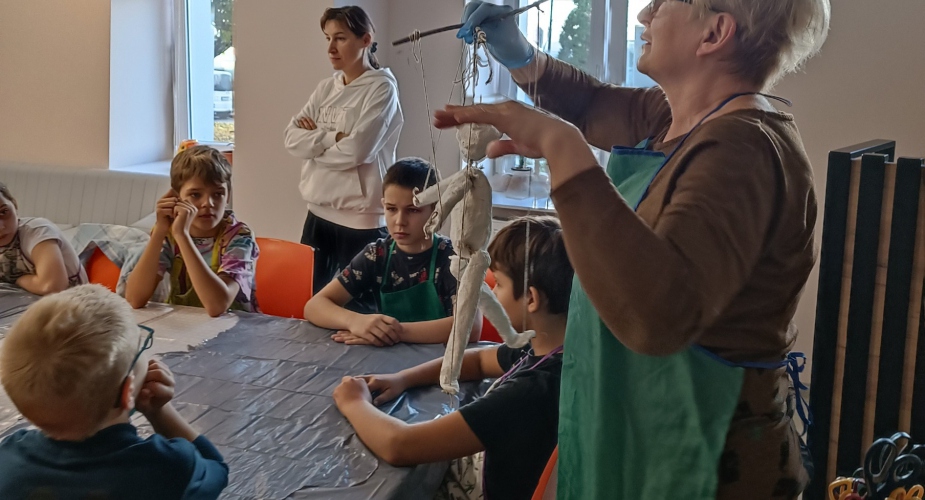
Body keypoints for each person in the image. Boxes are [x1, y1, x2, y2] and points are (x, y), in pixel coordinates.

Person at [440, 1, 831, 498]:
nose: (645, 13)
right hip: (640, 435)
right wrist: (521, 55)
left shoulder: (744, 151)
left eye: (664, 2)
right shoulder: (677, 118)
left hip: (707, 461)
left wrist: (563, 150)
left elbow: (657, 316)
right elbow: (590, 104)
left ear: (714, 33)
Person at [333, 216, 572, 500]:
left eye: (498, 284)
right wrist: (402, 379)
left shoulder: (531, 391)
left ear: (531, 299)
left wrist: (354, 402)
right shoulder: (548, 346)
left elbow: (400, 445)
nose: (492, 293)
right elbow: (479, 361)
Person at [0, 284, 229, 499]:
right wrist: (159, 412)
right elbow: (215, 468)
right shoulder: (167, 466)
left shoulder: (7, 458)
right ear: (127, 391)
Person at [284, 5, 404, 298]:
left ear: (365, 40)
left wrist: (315, 145)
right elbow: (291, 139)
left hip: (361, 221)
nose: (331, 48)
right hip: (317, 213)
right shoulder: (326, 88)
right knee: (308, 301)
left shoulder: (382, 88)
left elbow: (357, 152)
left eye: (340, 38)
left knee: (359, 307)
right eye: (328, 39)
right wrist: (333, 137)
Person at [304, 157, 481, 346]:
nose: (399, 221)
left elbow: (471, 327)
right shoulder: (377, 255)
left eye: (412, 210)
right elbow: (313, 306)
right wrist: (355, 321)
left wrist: (394, 332)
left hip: (440, 360)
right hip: (389, 358)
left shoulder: (453, 259)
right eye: (391, 209)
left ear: (436, 210)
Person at [126, 145, 259, 317]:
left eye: (218, 194)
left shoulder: (239, 236)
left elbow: (217, 305)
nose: (208, 203)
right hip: (185, 325)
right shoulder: (168, 234)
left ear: (228, 196)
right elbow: (135, 299)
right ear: (176, 197)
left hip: (236, 325)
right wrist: (159, 230)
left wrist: (182, 236)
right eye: (195, 195)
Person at [0, 182, 86, 294]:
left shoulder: (36, 231)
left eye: (4, 212)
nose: (1, 227)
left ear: (15, 206)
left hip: (70, 301)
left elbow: (53, 286)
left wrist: (18, 279)